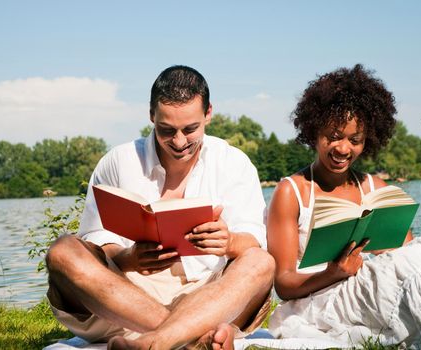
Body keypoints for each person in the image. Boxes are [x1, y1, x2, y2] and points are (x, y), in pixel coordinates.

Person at [266, 65, 421, 348]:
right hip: (322, 299)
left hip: (371, 288)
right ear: (314, 131)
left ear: (368, 140)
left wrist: (389, 247)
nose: (343, 149)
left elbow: (413, 257)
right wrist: (334, 272)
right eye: (334, 135)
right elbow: (284, 284)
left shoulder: (376, 188)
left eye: (355, 140)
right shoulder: (292, 191)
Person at [46, 65, 274, 350]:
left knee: (261, 262)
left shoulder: (233, 162)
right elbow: (94, 237)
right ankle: (193, 340)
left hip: (210, 295)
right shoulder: (119, 160)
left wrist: (228, 242)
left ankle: (155, 342)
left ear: (209, 113)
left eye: (190, 129)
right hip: (124, 298)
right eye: (166, 130)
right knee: (63, 252)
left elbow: (254, 239)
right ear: (151, 115)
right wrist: (128, 258)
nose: (179, 142)